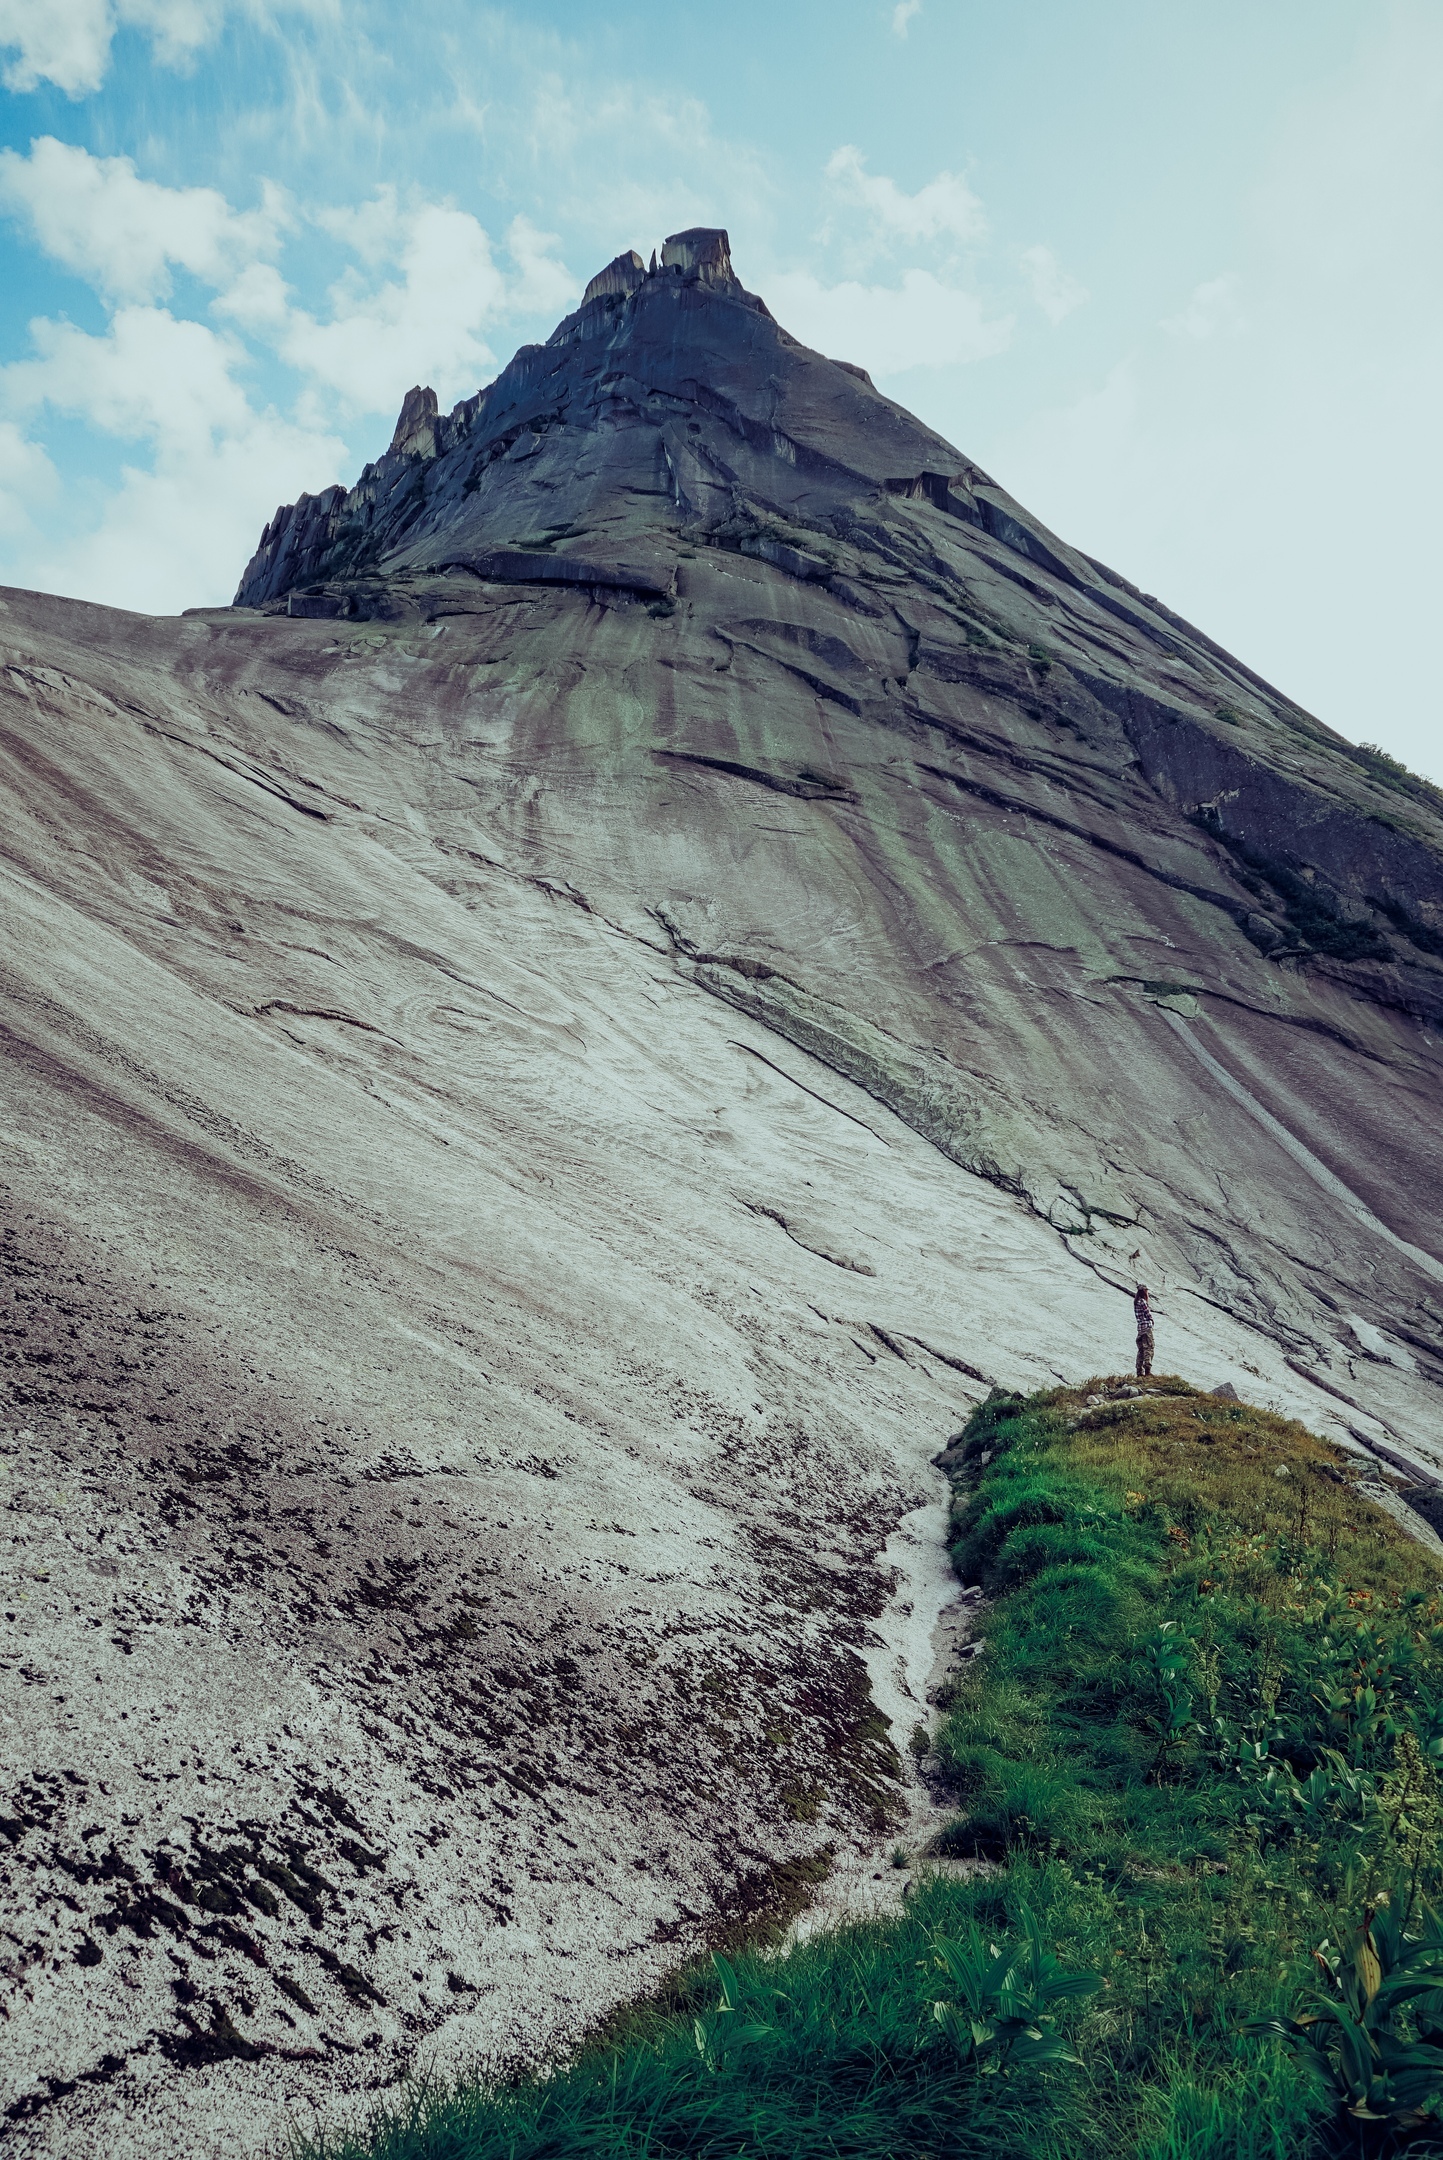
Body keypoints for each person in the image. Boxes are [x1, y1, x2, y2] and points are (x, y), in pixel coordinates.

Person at [1134, 1284, 1154, 1378]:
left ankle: (1139, 1372)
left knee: (1141, 1350)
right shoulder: (1142, 1301)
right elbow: (1147, 1313)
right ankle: (1147, 1371)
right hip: (1146, 1327)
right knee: (1149, 1348)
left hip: (1140, 1328)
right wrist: (1152, 1320)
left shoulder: (1136, 1301)